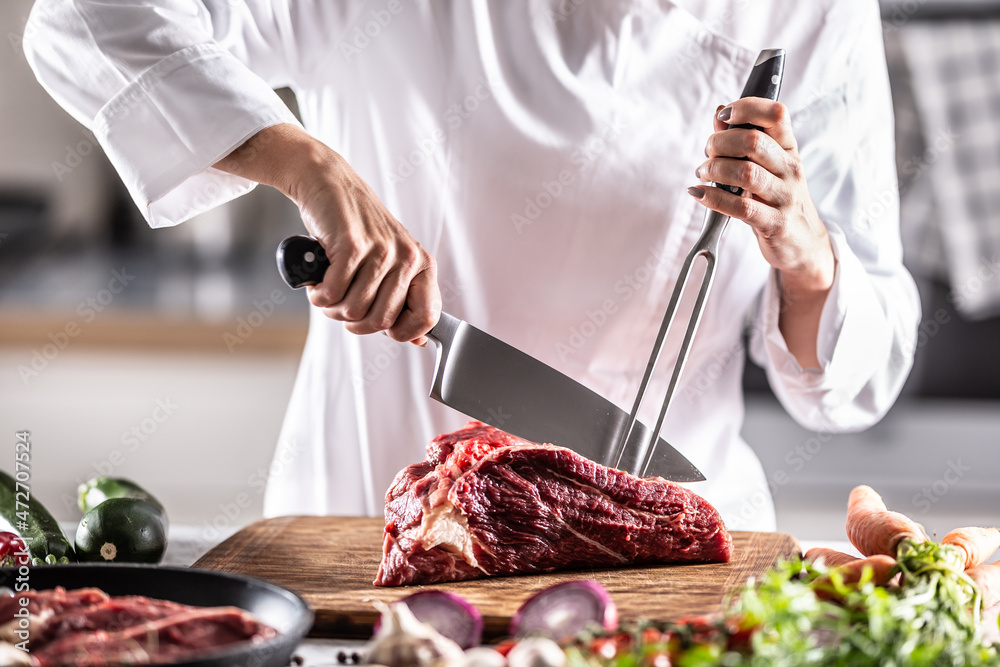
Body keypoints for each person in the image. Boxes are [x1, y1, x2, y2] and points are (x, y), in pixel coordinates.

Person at [24, 0, 919, 530]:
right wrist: (306, 163)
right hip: (371, 538)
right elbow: (82, 17)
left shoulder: (816, 11)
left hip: (668, 545)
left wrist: (804, 249)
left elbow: (855, 377)